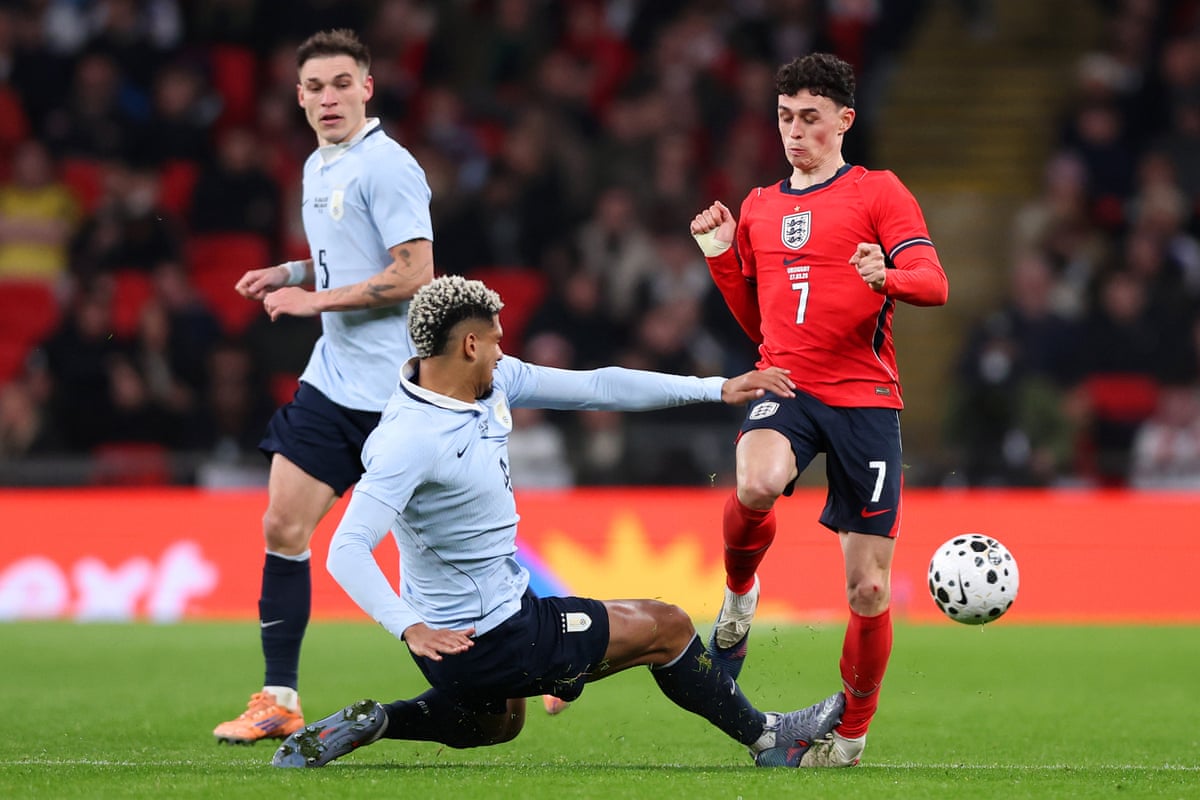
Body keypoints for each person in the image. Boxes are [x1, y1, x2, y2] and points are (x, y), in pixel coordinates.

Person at [268, 274, 844, 769]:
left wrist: (715, 388)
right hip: (490, 636)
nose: (503, 350)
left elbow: (597, 386)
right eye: (495, 340)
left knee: (497, 724)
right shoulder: (409, 439)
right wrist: (407, 626)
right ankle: (770, 738)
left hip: (459, 640)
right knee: (665, 627)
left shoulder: (486, 383)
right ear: (469, 344)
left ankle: (378, 721)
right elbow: (346, 547)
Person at [689, 53, 949, 768]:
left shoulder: (879, 193)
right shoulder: (759, 207)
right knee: (754, 484)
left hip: (864, 396)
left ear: (844, 121)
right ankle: (740, 596)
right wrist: (718, 256)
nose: (795, 132)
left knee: (867, 588)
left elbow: (934, 282)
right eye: (784, 118)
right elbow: (760, 321)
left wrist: (887, 275)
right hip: (789, 386)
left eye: (809, 118)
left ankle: (852, 735)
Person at [212, 28, 436, 744]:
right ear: (299, 97)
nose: (328, 97)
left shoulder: (389, 166)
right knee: (283, 526)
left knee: (455, 555)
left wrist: (314, 303)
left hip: (405, 396)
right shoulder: (318, 164)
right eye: (315, 87)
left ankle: (560, 656)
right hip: (335, 387)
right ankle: (279, 698)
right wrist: (294, 273)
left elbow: (414, 272)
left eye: (342, 83)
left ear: (367, 87)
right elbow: (344, 256)